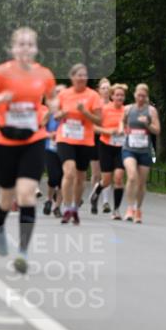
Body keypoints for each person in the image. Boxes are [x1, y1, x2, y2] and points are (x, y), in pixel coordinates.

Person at [0, 27, 55, 272]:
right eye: (21, 44)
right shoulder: (1, 73)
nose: (25, 48)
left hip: (33, 139)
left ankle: (22, 253)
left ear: (36, 49)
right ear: (13, 48)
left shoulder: (44, 75)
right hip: (5, 140)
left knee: (27, 194)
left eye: (30, 44)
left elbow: (52, 101)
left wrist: (54, 110)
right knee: (6, 197)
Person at [54, 64, 102, 225]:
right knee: (69, 172)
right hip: (65, 138)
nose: (82, 78)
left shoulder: (93, 96)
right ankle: (66, 207)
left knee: (81, 177)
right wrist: (61, 114)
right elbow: (55, 115)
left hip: (85, 140)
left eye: (85, 75)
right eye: (79, 75)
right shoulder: (64, 94)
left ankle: (75, 207)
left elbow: (99, 120)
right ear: (72, 77)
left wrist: (85, 112)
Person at [121, 83, 160, 224]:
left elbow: (157, 130)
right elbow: (121, 123)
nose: (141, 98)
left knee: (142, 183)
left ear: (146, 96)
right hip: (129, 148)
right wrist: (123, 129)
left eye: (143, 96)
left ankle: (138, 209)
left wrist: (147, 124)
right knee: (131, 177)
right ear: (134, 95)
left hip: (144, 151)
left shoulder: (151, 111)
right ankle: (129, 208)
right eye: (138, 95)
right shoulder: (127, 109)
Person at [91, 83, 127, 219]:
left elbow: (131, 127)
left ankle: (116, 210)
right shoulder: (104, 109)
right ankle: (96, 193)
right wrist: (108, 131)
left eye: (122, 95)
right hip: (105, 146)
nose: (119, 97)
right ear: (112, 96)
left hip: (121, 147)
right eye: (117, 95)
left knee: (118, 178)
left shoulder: (126, 111)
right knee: (106, 180)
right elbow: (93, 128)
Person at [90, 77, 111, 214]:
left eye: (108, 88)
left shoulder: (115, 105)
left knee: (107, 173)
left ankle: (106, 202)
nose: (106, 90)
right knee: (96, 174)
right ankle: (95, 196)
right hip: (95, 138)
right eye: (103, 88)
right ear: (98, 90)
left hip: (109, 139)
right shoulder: (94, 106)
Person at [42, 87, 64, 217]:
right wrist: (49, 135)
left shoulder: (68, 112)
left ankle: (57, 206)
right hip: (50, 148)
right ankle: (49, 199)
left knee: (62, 178)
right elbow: (39, 128)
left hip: (65, 147)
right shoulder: (48, 113)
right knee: (53, 177)